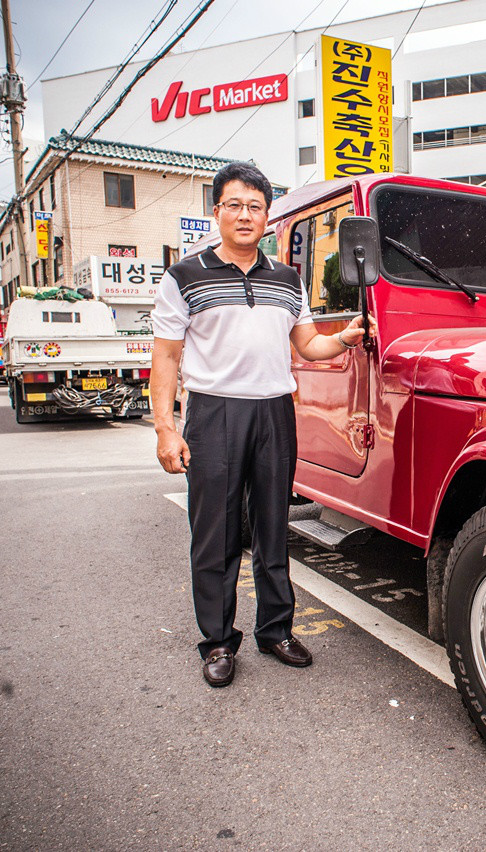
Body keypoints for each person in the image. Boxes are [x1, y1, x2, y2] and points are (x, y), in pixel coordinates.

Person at [150, 161, 373, 688]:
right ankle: (218, 642)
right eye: (235, 205)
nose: (245, 215)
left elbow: (308, 345)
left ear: (267, 215)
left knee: (274, 529)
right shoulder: (185, 275)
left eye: (255, 206)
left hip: (275, 411)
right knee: (216, 535)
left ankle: (276, 631)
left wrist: (344, 338)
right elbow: (165, 357)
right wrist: (166, 427)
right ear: (217, 211)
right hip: (213, 412)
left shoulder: (286, 278)